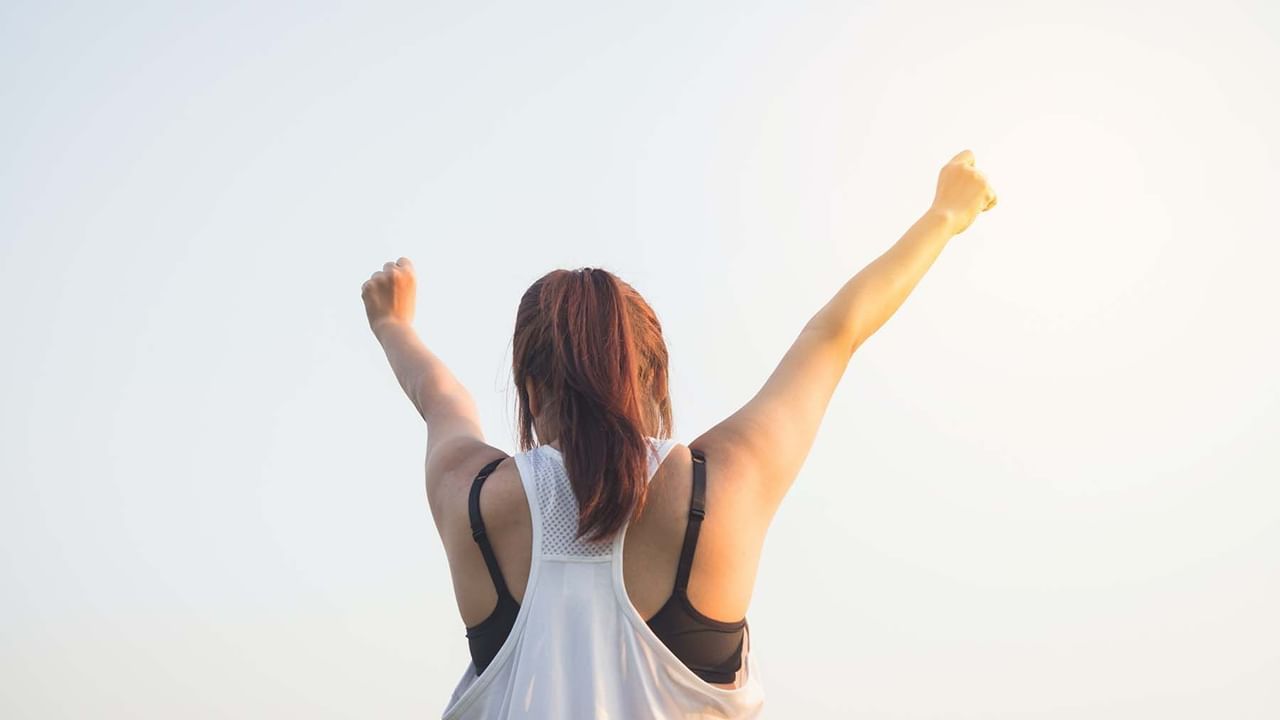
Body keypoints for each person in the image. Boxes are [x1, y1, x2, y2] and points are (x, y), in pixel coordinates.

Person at [360, 149, 997, 719]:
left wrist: (394, 323)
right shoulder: (721, 488)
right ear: (656, 381)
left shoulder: (472, 499)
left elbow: (440, 397)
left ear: (529, 389)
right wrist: (944, 215)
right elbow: (833, 333)